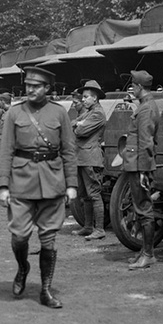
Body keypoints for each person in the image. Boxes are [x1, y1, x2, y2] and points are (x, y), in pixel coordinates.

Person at [0, 65, 78, 307]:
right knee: (20, 236)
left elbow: (68, 151)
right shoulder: (14, 113)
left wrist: (71, 184)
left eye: (35, 86)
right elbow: (6, 150)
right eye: (28, 86)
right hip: (21, 182)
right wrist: (3, 185)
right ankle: (23, 268)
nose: (30, 90)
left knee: (48, 239)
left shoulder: (59, 113)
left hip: (52, 181)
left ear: (47, 89)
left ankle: (45, 290)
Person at [122, 70, 162, 270]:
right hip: (135, 163)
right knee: (140, 209)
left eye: (133, 86)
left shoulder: (146, 109)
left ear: (139, 87)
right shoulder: (145, 106)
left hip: (139, 165)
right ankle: (145, 252)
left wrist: (145, 171)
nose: (132, 89)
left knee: (144, 210)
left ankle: (149, 254)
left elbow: (146, 142)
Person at [72, 80, 107, 240]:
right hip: (81, 157)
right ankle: (87, 226)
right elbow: (73, 124)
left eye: (86, 97)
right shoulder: (88, 112)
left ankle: (99, 229)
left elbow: (80, 131)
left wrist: (79, 125)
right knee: (84, 194)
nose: (83, 99)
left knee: (94, 193)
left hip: (91, 158)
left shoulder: (98, 113)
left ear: (95, 98)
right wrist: (78, 123)